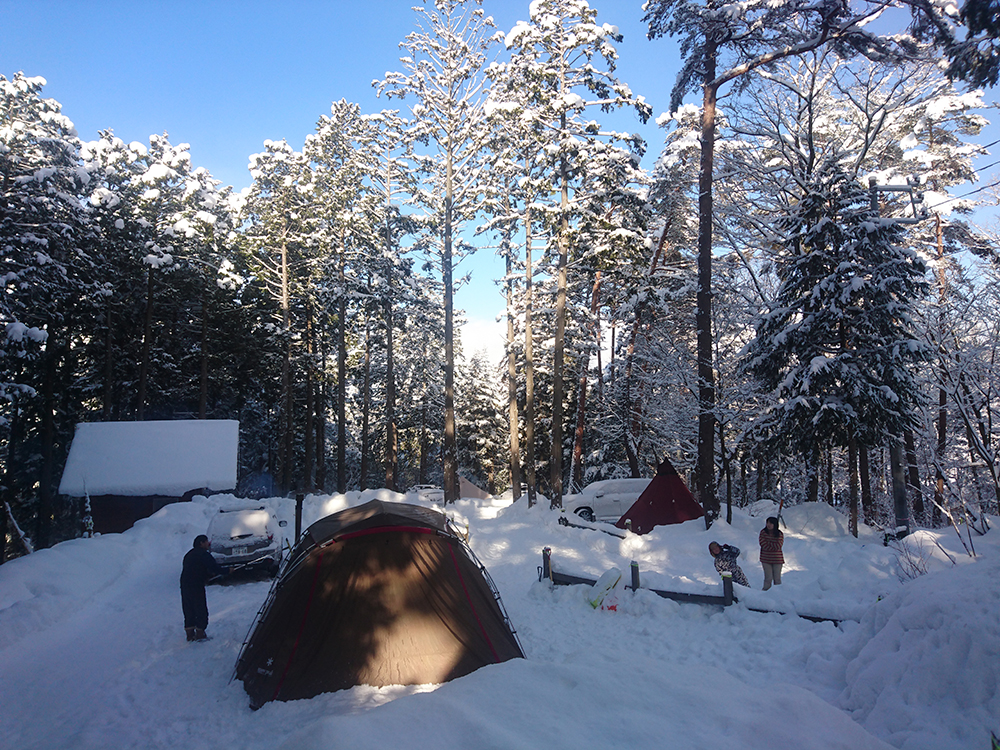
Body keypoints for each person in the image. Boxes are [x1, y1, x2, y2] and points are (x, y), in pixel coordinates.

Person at [180, 534, 225, 641]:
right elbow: (214, 567)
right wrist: (228, 571)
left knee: (188, 608)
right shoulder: (204, 554)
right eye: (206, 542)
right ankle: (200, 633)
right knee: (200, 608)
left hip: (185, 584)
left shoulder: (188, 554)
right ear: (201, 543)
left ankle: (189, 634)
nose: (208, 544)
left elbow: (194, 568)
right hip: (196, 585)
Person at [758, 516, 784, 590]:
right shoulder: (763, 532)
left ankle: (778, 594)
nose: (769, 525)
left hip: (777, 559)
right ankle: (765, 593)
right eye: (767, 523)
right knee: (768, 578)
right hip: (765, 559)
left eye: (771, 523)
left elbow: (778, 546)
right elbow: (763, 544)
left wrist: (768, 542)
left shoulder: (779, 534)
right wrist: (772, 543)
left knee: (777, 579)